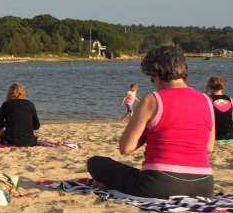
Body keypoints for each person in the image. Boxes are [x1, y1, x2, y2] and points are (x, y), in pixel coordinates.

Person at [87, 45, 214, 198]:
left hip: (160, 183)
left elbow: (125, 148)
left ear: (155, 73)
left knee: (95, 162)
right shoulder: (206, 100)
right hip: (203, 185)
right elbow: (209, 147)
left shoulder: (153, 99)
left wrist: (147, 134)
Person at [206, 75, 233, 140]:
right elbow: (232, 118)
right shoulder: (230, 99)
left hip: (217, 135)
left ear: (210, 87)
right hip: (232, 134)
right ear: (222, 86)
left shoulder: (208, 99)